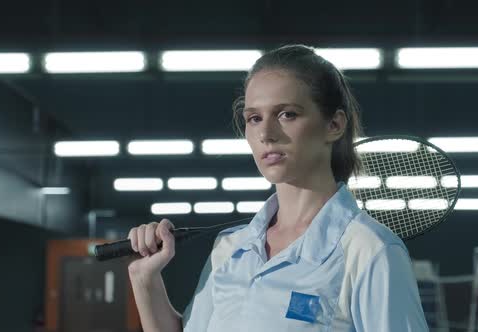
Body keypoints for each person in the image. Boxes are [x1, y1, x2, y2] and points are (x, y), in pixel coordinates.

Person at [126, 44, 428, 331]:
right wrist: (144, 279)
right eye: (254, 118)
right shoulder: (230, 249)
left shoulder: (369, 250)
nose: (266, 134)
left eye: (287, 114)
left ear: (334, 125)